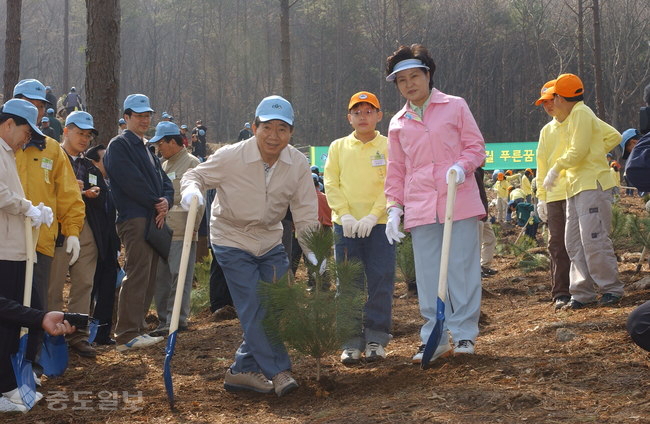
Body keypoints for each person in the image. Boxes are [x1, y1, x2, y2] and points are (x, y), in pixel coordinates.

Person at [180, 95, 318, 397]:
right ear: (254, 127)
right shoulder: (232, 156)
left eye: (282, 129)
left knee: (279, 303)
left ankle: (241, 370)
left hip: (269, 239)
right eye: (267, 127)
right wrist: (191, 191)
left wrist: (312, 249)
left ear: (291, 133)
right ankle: (278, 371)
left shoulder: (297, 163)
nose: (274, 136)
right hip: (231, 238)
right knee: (253, 306)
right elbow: (196, 174)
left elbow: (306, 210)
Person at [384, 44, 485, 365]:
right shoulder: (398, 122)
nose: (409, 84)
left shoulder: (455, 106)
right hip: (420, 206)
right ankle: (435, 336)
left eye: (415, 76)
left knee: (461, 269)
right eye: (402, 80)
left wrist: (462, 166)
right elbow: (396, 169)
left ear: (428, 75)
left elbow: (476, 147)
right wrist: (394, 207)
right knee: (428, 275)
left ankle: (465, 332)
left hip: (459, 200)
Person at [13, 78, 85, 366]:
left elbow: (67, 193)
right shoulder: (6, 144)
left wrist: (73, 231)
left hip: (40, 243)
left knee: (36, 307)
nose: (36, 110)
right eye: (30, 103)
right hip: (6, 242)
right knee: (8, 306)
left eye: (40, 105)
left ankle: (30, 366)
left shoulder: (52, 149)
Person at [323, 91, 395, 364]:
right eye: (357, 112)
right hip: (346, 227)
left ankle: (377, 337)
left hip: (380, 226)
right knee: (348, 284)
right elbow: (331, 182)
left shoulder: (389, 145)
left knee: (381, 280)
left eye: (369, 111)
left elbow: (392, 183)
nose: (362, 117)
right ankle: (351, 340)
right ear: (349, 118)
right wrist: (346, 215)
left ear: (379, 115)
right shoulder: (338, 147)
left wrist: (373, 215)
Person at [542, 73, 623, 309]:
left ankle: (611, 288)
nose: (552, 102)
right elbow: (611, 136)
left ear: (560, 97)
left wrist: (557, 168)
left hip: (591, 183)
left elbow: (577, 151)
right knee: (573, 242)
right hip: (574, 185)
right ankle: (581, 292)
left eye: (553, 96)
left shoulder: (582, 113)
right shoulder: (571, 117)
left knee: (593, 238)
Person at [104, 94, 173, 352]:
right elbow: (129, 180)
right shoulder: (119, 145)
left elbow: (164, 181)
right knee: (137, 274)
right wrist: (157, 201)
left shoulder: (147, 148)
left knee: (149, 275)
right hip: (135, 218)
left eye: (147, 115)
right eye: (139, 115)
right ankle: (126, 333)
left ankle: (138, 328)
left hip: (152, 218)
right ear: (127, 117)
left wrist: (166, 200)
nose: (145, 120)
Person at [0, 98, 56, 411]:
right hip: (4, 251)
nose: (27, 138)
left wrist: (32, 211)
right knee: (8, 318)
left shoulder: (8, 153)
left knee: (19, 315)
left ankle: (10, 384)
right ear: (9, 124)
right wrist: (28, 208)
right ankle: (5, 387)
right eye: (25, 130)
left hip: (16, 248)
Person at [47, 111, 100, 357]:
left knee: (84, 282)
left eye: (88, 135)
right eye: (80, 133)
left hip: (84, 225)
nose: (84, 139)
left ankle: (78, 335)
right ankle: (52, 335)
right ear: (65, 131)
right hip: (57, 226)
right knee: (54, 286)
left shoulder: (87, 164)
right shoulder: (50, 156)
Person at [148, 122, 204, 337]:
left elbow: (198, 202)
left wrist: (194, 227)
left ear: (173, 141)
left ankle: (177, 320)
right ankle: (164, 320)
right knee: (162, 278)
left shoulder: (192, 163)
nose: (158, 148)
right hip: (163, 231)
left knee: (179, 276)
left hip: (183, 230)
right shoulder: (163, 165)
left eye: (161, 143)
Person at [534, 79, 572, 310]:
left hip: (579, 189)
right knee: (557, 243)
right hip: (555, 195)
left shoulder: (578, 121)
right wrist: (541, 197)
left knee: (579, 242)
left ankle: (584, 288)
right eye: (544, 102)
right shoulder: (546, 131)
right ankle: (561, 291)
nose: (548, 106)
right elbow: (542, 166)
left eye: (551, 100)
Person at [85, 144, 120, 345]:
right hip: (93, 243)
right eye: (104, 159)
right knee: (89, 288)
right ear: (94, 162)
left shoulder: (110, 182)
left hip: (109, 244)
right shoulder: (89, 179)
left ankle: (102, 333)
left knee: (107, 289)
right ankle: (82, 332)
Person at [475, 166, 497, 278]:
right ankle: (476, 270)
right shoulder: (473, 172)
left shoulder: (479, 172)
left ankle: (484, 266)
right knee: (476, 243)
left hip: (483, 213)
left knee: (490, 238)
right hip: (476, 213)